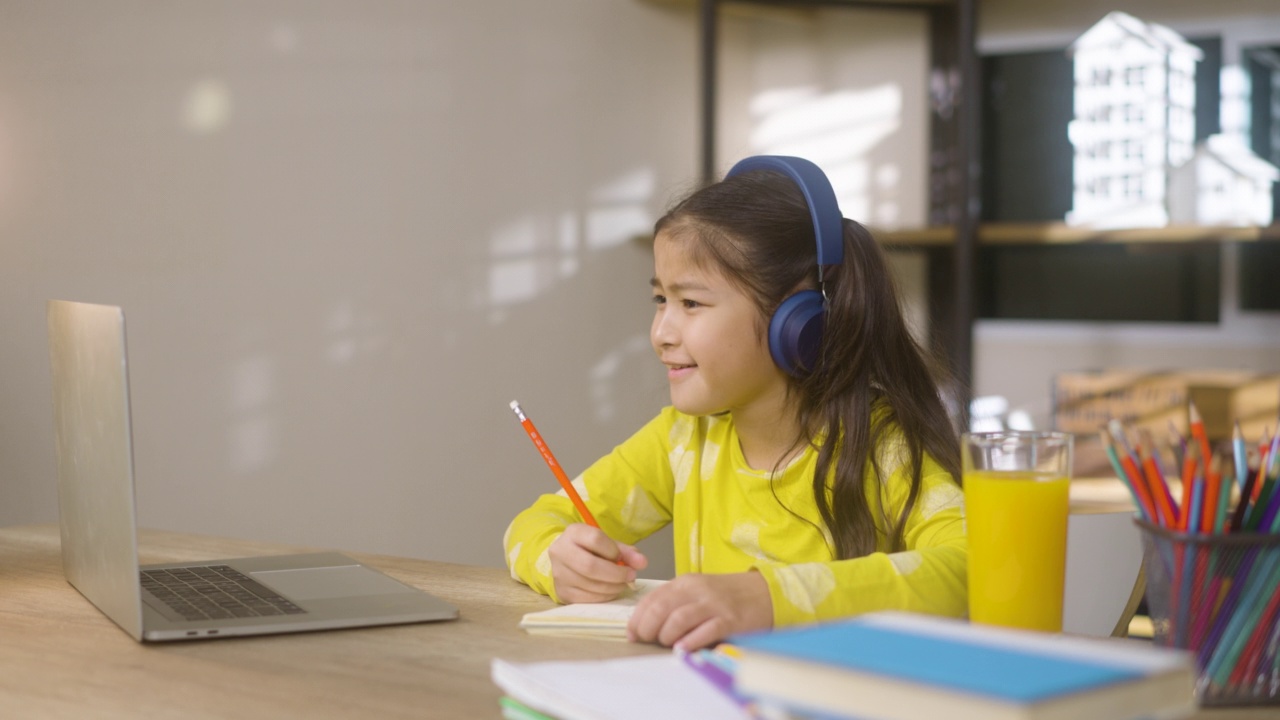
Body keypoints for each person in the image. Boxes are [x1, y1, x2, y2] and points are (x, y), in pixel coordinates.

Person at [503, 155, 966, 651]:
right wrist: (558, 559)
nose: (660, 334)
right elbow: (531, 524)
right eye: (661, 300)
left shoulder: (882, 447)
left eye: (691, 304)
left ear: (799, 322)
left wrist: (768, 598)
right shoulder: (681, 442)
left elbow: (969, 568)